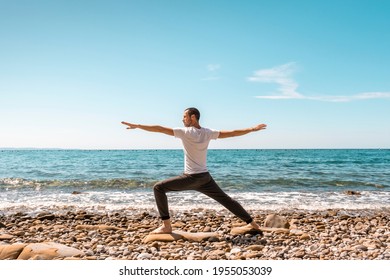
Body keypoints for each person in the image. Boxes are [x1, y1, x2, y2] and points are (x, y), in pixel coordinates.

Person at [121, 107, 267, 234]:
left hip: (191, 178)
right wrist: (251, 129)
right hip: (205, 178)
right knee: (226, 200)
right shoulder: (208, 132)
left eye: (184, 116)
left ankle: (166, 226)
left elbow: (159, 129)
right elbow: (233, 133)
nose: (182, 119)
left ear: (193, 117)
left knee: (158, 188)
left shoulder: (185, 132)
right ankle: (253, 224)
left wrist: (139, 126)